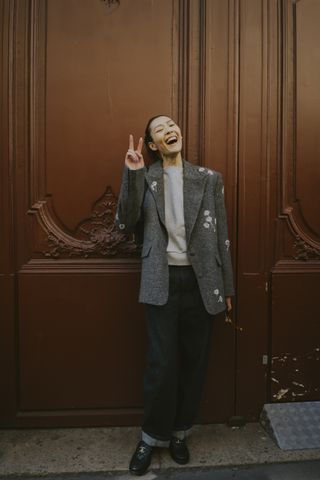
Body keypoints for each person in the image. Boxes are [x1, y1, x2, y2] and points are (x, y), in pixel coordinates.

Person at [115, 115, 234, 476]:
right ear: (152, 144)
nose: (170, 130)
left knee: (193, 362)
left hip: (201, 282)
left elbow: (222, 236)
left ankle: (180, 434)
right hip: (161, 281)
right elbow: (125, 221)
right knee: (161, 365)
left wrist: (226, 287)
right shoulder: (146, 177)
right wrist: (132, 173)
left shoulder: (209, 179)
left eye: (173, 125)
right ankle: (151, 438)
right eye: (161, 129)